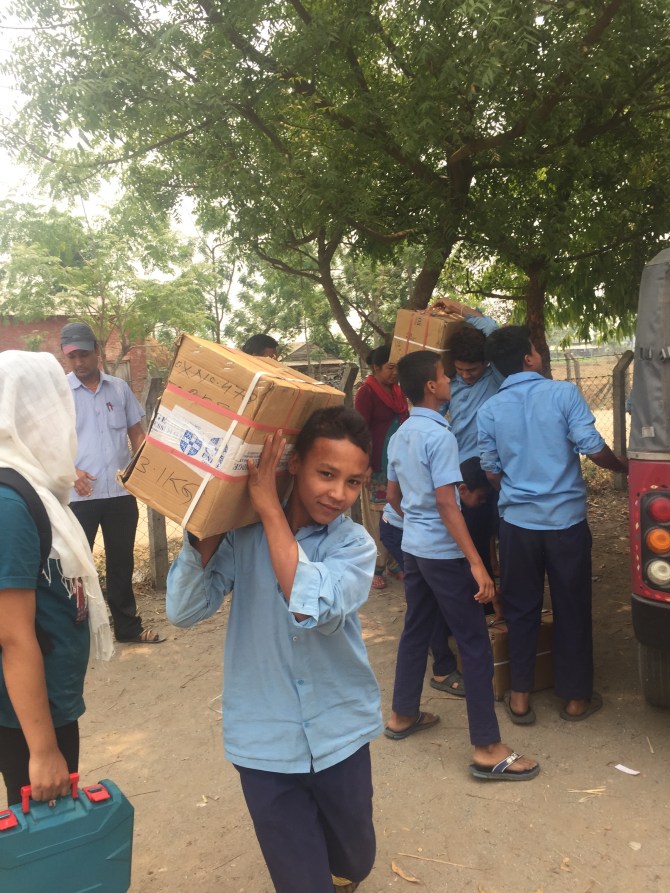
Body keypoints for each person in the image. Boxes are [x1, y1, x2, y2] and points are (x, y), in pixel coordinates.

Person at [166, 406, 382, 893]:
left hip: (339, 730)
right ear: (295, 464)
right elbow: (185, 610)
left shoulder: (354, 546)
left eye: (352, 482)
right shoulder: (242, 536)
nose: (338, 493)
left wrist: (269, 511)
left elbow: (308, 604)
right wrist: (211, 516)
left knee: (355, 859)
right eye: (327, 474)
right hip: (263, 740)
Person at [383, 350, 539, 782]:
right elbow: (447, 504)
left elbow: (393, 496)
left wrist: (417, 523)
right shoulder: (441, 436)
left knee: (416, 630)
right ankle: (487, 747)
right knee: (473, 642)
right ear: (431, 386)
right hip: (443, 553)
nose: (451, 380)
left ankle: (402, 714)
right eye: (444, 375)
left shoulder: (401, 434)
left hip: (414, 548)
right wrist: (477, 564)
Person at [478, 326, 629, 724]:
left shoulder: (489, 410)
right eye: (535, 349)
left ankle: (520, 697)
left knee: (520, 607)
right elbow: (592, 447)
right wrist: (622, 467)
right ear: (529, 358)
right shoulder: (563, 394)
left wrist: (517, 491)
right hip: (565, 523)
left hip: (517, 525)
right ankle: (576, 698)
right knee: (572, 605)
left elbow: (491, 471)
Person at [0, 351, 113, 808]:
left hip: (48, 702)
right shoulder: (9, 504)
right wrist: (44, 751)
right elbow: (12, 637)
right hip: (27, 718)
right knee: (44, 825)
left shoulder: (38, 488)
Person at [60, 322, 163, 645]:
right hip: (79, 496)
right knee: (75, 566)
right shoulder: (60, 394)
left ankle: (128, 628)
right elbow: (48, 442)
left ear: (97, 351)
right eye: (72, 357)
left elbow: (137, 433)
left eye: (84, 354)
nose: (79, 362)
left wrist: (141, 466)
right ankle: (76, 635)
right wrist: (71, 470)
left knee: (121, 562)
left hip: (120, 493)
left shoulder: (119, 389)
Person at [379, 456, 494, 697]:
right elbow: (392, 497)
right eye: (481, 497)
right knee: (429, 600)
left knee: (431, 598)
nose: (482, 503)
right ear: (463, 489)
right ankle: (442, 669)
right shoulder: (446, 502)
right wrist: (416, 523)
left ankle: (437, 649)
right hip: (400, 532)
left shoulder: (449, 492)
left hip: (415, 535)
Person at [354, 344, 409, 589]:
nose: (395, 372)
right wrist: (365, 464)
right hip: (376, 465)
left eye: (397, 368)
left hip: (397, 462)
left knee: (396, 512)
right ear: (376, 368)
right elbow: (360, 430)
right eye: (390, 367)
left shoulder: (398, 391)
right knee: (377, 519)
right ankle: (376, 567)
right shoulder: (366, 393)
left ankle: (394, 563)